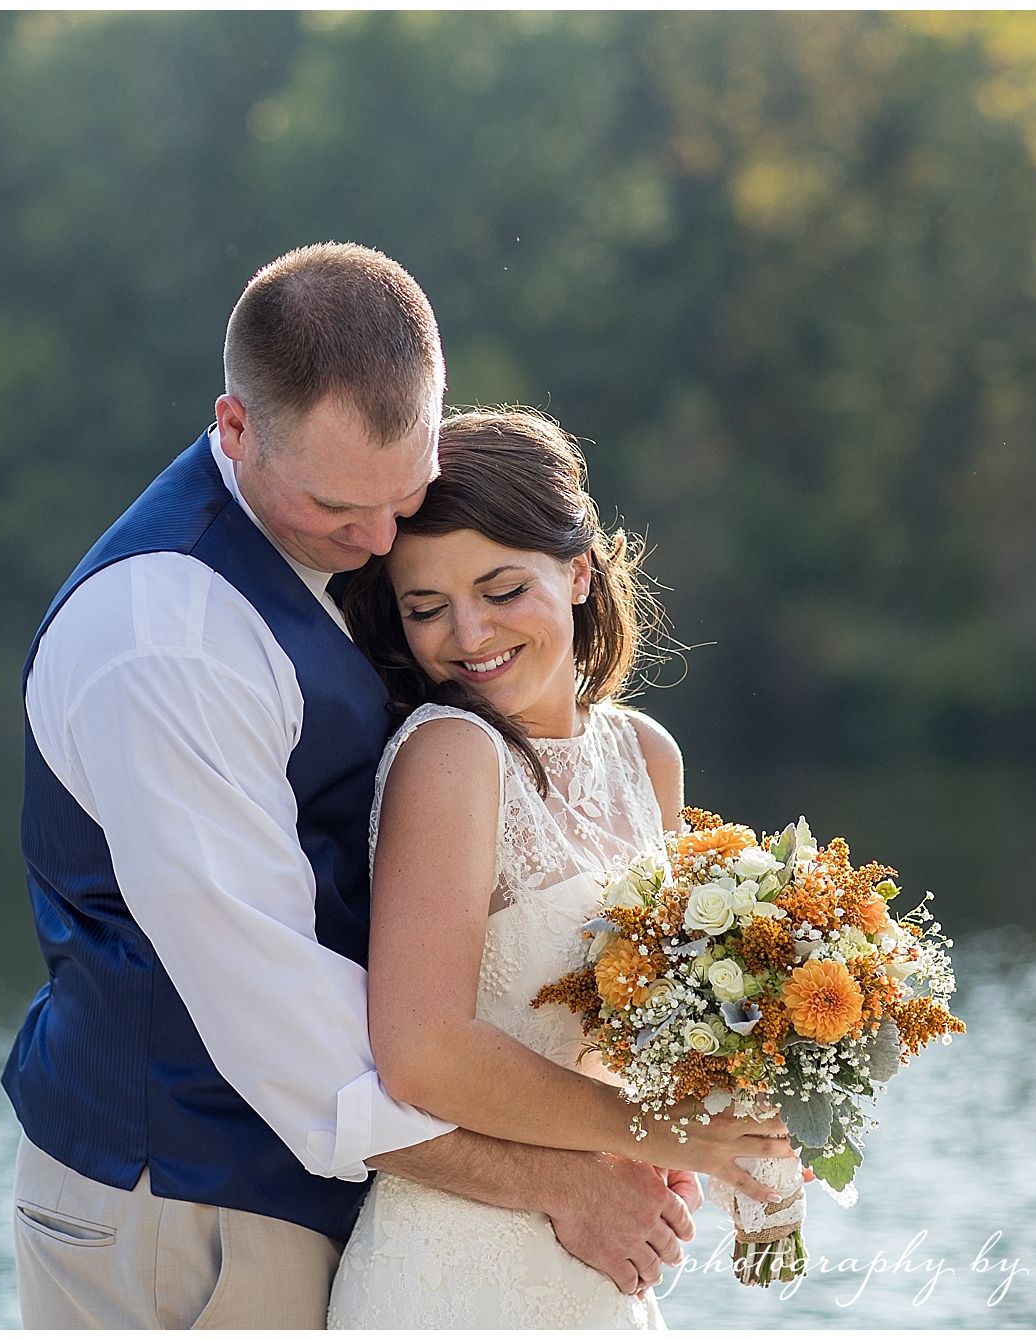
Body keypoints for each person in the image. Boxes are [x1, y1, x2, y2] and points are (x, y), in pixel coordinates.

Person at [2, 243, 780, 1329]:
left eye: (402, 492)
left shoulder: (599, 729)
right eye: (339, 509)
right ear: (233, 429)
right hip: (185, 1204)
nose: (378, 543)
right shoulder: (165, 641)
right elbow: (284, 1030)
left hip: (384, 1194)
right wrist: (572, 1172)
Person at [327, 410, 791, 1328]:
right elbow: (421, 1054)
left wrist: (754, 1096)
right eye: (426, 608)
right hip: (458, 1268)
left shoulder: (646, 757)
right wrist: (670, 1136)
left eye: (503, 590)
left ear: (578, 571)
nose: (468, 635)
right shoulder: (449, 753)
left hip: (599, 1255)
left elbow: (656, 1019)